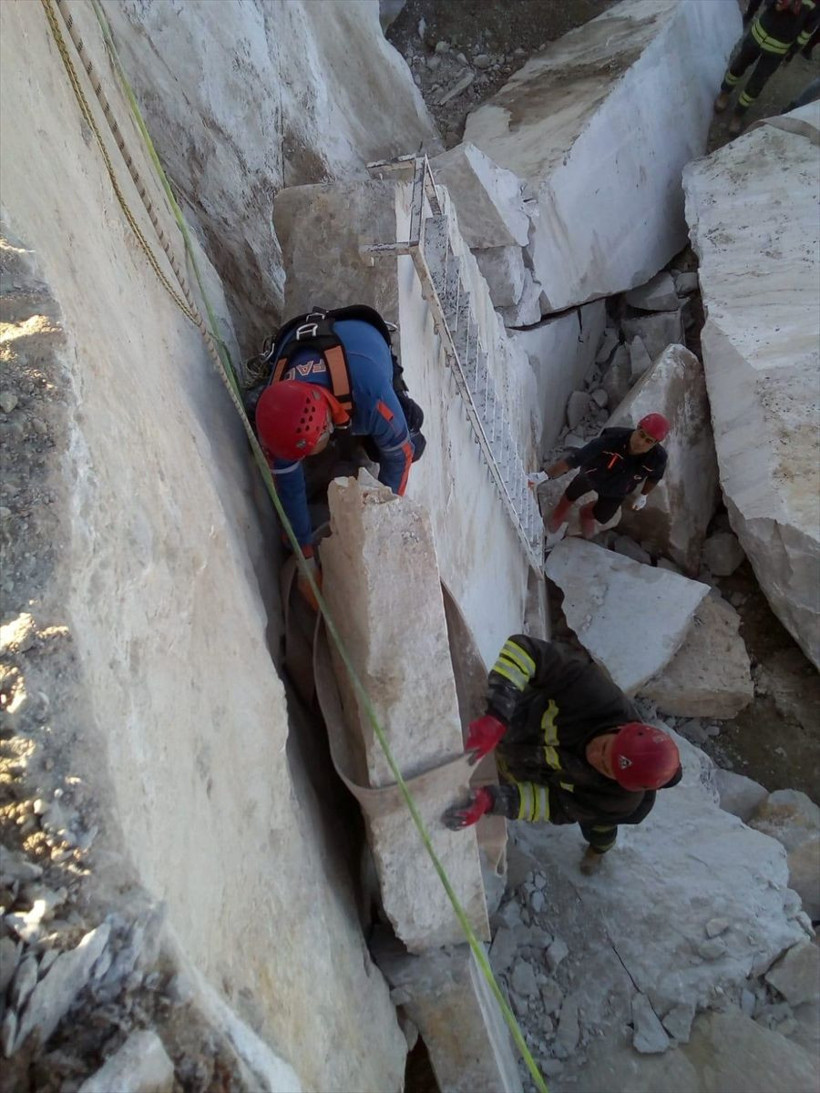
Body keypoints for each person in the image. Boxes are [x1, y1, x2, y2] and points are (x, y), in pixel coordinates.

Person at [443, 636, 682, 874]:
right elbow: (525, 649)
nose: (595, 755)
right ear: (621, 728)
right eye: (606, 747)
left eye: (606, 767)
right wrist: (497, 715)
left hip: (546, 774)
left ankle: (598, 851)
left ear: (618, 782)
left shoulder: (616, 800)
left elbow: (551, 804)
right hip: (520, 723)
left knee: (598, 829)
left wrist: (493, 800)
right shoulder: (597, 695)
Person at [254, 311, 418, 606]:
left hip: (363, 343)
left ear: (326, 427)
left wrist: (381, 521)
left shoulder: (371, 395)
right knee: (291, 500)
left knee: (410, 437)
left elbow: (401, 456)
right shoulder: (279, 414)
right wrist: (306, 562)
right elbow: (289, 488)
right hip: (301, 339)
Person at [542, 413, 670, 540]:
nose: (641, 443)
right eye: (641, 435)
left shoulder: (657, 458)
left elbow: (655, 477)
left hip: (619, 489)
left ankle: (586, 513)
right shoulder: (612, 438)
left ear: (655, 443)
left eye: (648, 441)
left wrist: (643, 495)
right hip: (593, 475)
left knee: (603, 515)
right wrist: (544, 475)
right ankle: (561, 510)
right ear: (637, 428)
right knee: (573, 492)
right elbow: (575, 459)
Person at [715, 0, 819, 135]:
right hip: (758, 34)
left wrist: (791, 53)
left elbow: (807, 32)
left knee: (757, 83)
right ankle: (725, 92)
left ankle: (739, 113)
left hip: (778, 50)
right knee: (738, 66)